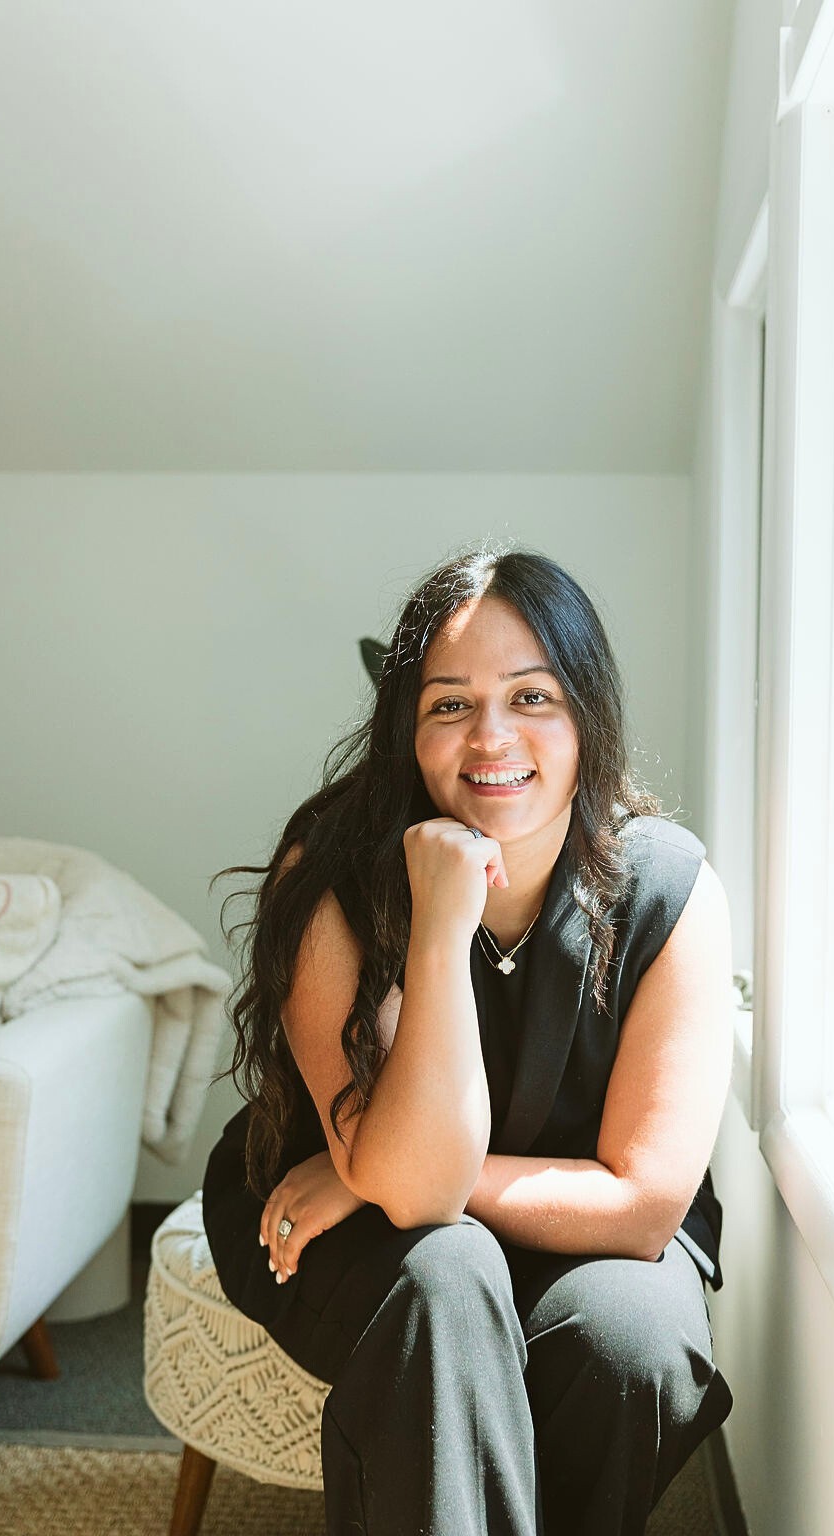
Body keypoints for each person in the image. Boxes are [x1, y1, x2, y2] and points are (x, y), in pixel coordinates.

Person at [203, 546, 734, 1536]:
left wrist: (374, 1170)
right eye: (449, 703)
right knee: (450, 1278)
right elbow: (413, 1203)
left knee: (637, 1336)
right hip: (347, 1234)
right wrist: (440, 927)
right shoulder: (331, 874)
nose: (490, 734)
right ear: (407, 727)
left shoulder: (669, 889)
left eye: (531, 697)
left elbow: (644, 1204)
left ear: (585, 714)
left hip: (554, 1220)